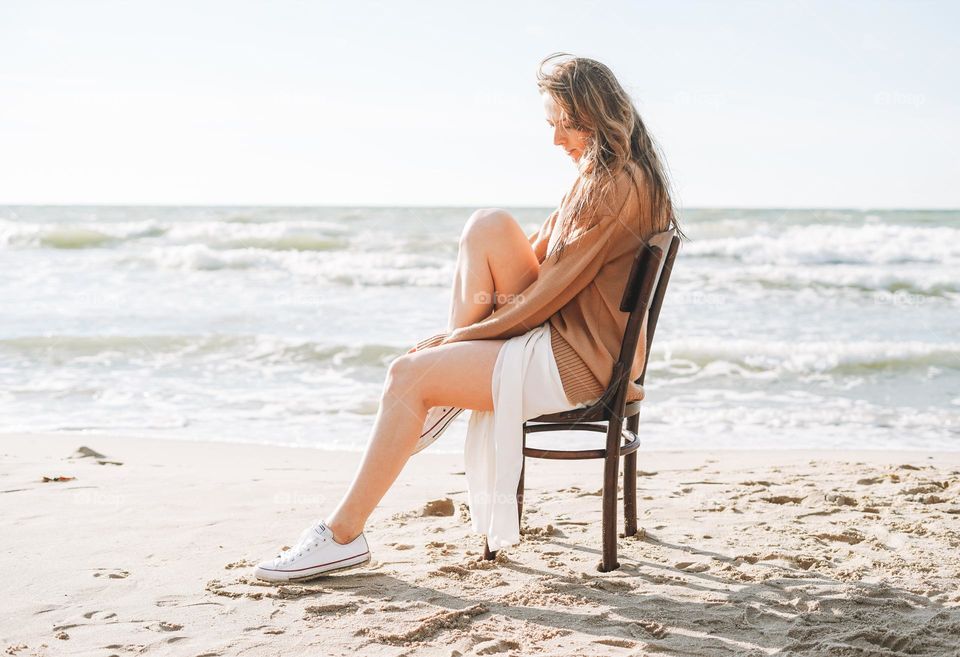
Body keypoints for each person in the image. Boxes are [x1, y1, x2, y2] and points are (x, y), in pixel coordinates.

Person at [254, 52, 683, 583]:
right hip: (574, 344)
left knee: (406, 376)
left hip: (578, 363)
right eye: (550, 125)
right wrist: (458, 342)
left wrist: (456, 340)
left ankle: (342, 537)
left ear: (598, 114)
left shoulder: (614, 185)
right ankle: (441, 387)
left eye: (564, 124)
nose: (556, 140)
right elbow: (542, 257)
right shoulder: (611, 175)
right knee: (487, 225)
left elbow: (549, 291)